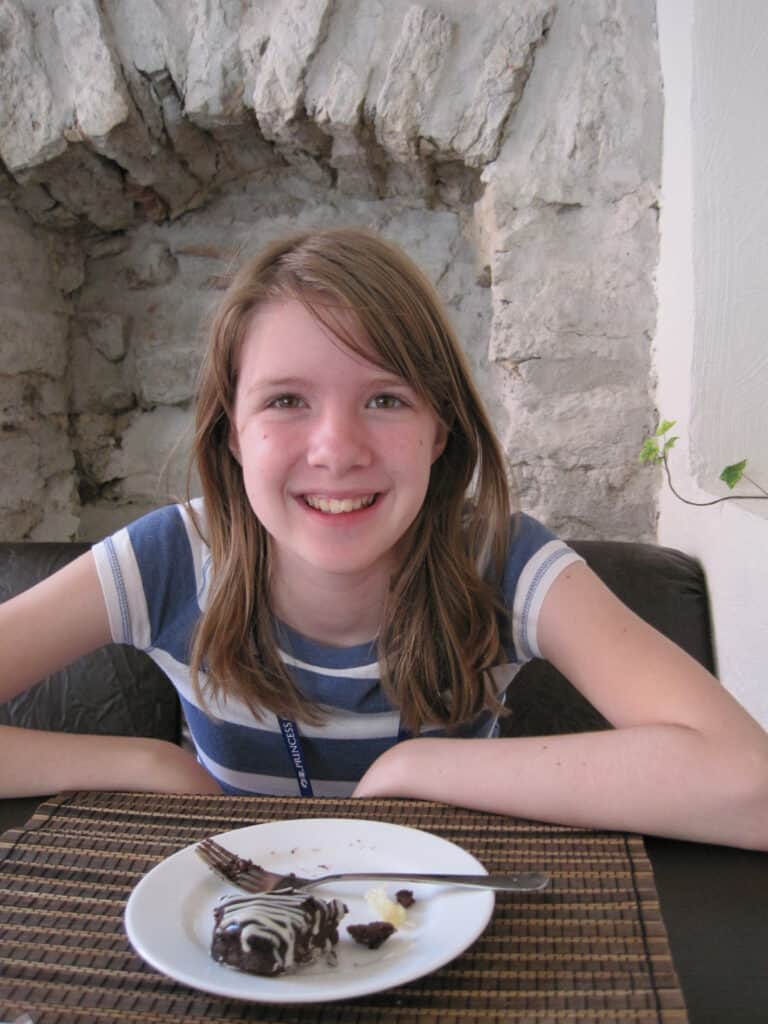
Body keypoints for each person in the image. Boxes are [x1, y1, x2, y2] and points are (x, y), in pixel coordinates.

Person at [1, 227, 766, 851]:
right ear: (232, 433)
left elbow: (750, 784)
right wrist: (147, 763)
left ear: (440, 432)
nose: (337, 448)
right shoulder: (171, 556)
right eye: (288, 399)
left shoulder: (503, 562)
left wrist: (419, 767)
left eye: (385, 398)